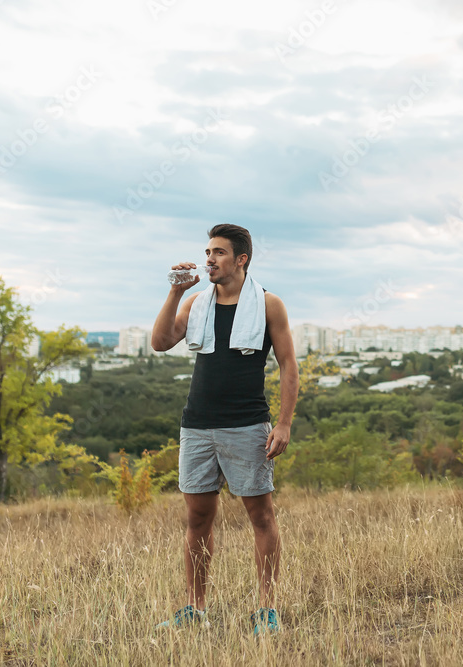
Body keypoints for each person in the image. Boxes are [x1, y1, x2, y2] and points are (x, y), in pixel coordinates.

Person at [151, 223, 299, 635]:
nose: (209, 259)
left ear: (241, 259)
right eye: (207, 251)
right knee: (197, 519)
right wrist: (176, 291)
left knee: (262, 516)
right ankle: (195, 609)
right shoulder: (196, 302)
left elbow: (289, 365)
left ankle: (267, 610)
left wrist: (284, 423)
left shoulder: (269, 305)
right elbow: (160, 342)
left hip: (248, 425)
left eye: (218, 252)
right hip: (197, 426)